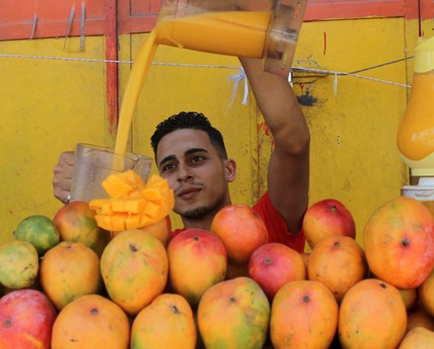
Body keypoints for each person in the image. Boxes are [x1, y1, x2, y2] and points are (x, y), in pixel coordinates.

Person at [52, 57, 310, 252]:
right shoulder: (153, 250)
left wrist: (251, 46)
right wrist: (83, 199)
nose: (183, 174)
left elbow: (294, 143)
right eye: (169, 167)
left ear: (229, 169)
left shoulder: (267, 225)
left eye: (196, 159)